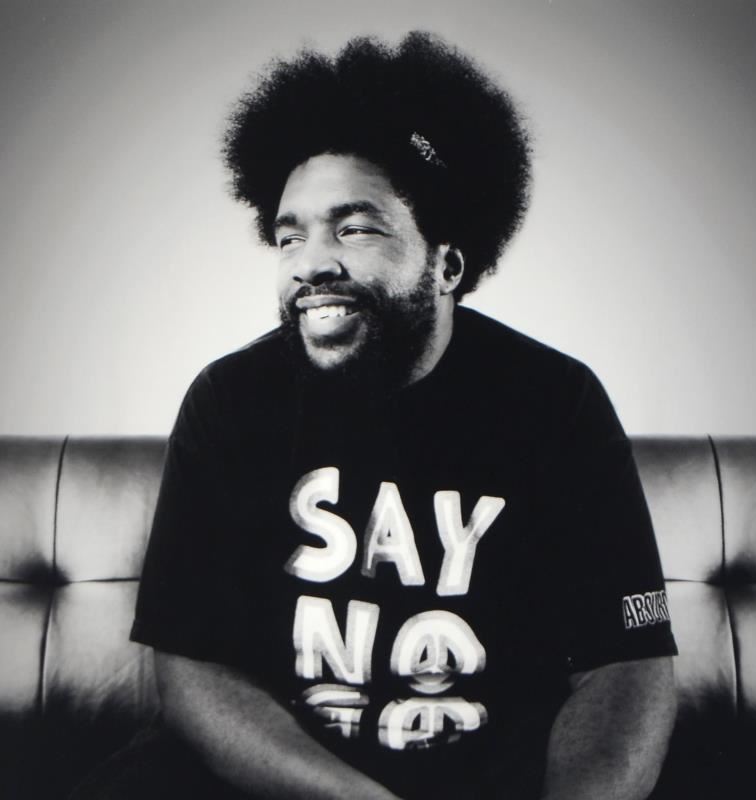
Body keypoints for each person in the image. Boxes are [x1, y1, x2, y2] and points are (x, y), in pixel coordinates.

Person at [76, 31, 678, 800]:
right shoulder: (229, 402)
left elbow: (625, 667)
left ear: (447, 264)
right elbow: (193, 669)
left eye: (355, 228)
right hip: (280, 778)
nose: (309, 262)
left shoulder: (556, 402)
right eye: (289, 235)